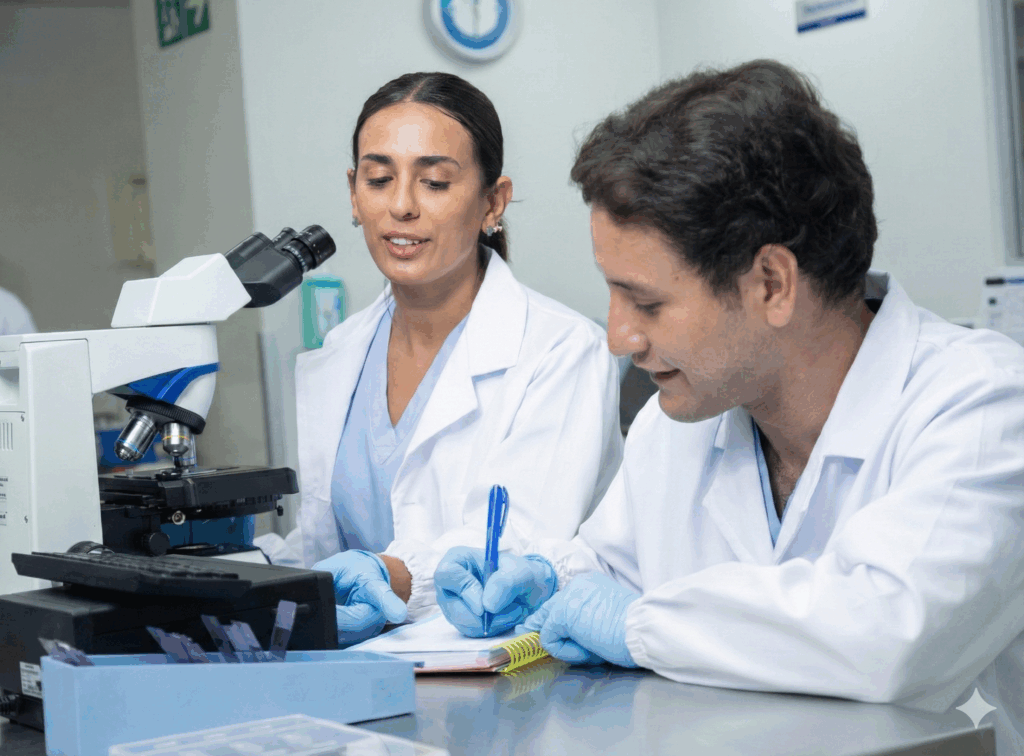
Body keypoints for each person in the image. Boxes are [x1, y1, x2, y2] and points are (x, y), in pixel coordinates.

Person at [434, 59, 1024, 724]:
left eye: (646, 302)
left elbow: (889, 634)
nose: (619, 338)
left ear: (772, 283)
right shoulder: (678, 423)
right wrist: (545, 581)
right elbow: (614, 568)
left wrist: (638, 625)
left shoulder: (983, 406)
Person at [256, 72, 623, 644]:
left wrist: (389, 577)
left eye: (434, 182)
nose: (401, 206)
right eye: (379, 179)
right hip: (356, 666)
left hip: (500, 670)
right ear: (354, 193)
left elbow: (514, 548)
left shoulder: (561, 350)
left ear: (493, 201)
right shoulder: (339, 355)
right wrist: (243, 569)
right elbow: (325, 546)